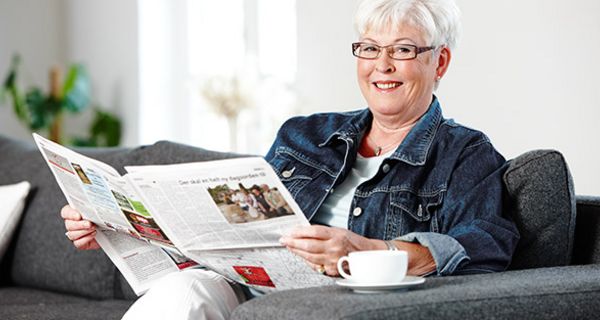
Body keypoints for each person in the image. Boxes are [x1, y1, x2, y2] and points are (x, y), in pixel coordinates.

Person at [61, 0, 519, 319]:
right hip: (253, 290)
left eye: (402, 50)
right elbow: (229, 230)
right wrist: (112, 223)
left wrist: (368, 252)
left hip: (350, 305)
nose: (382, 65)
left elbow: (484, 247)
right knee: (182, 293)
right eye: (369, 48)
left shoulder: (466, 153)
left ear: (439, 63)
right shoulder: (304, 135)